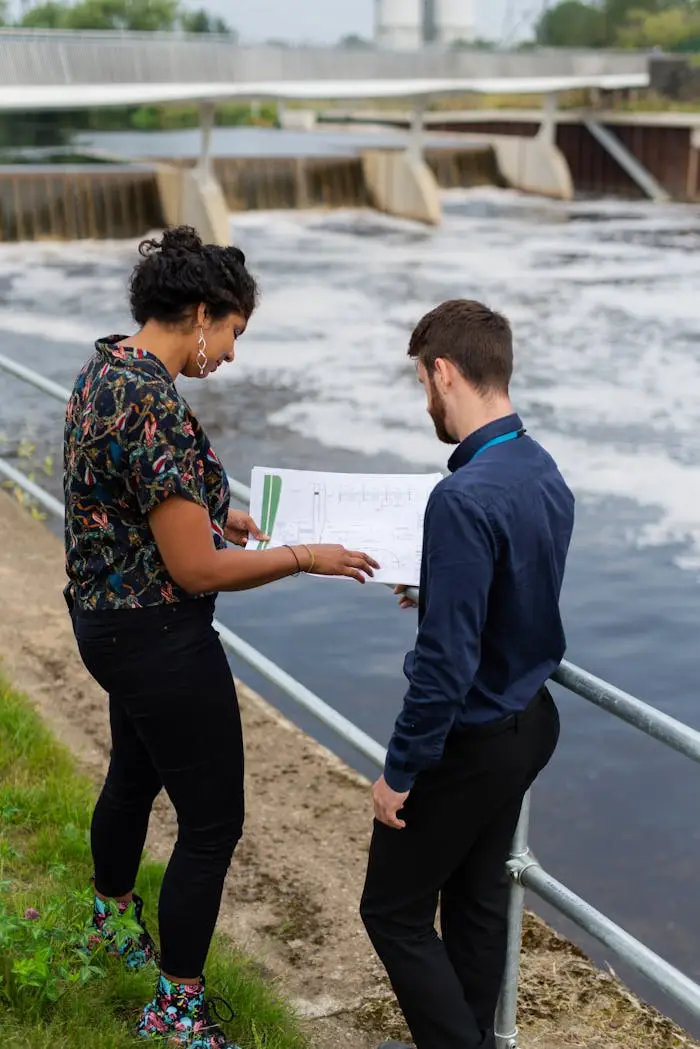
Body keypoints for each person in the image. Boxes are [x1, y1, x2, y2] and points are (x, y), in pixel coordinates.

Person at [63, 225, 379, 1049]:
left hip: (105, 622)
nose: (232, 355)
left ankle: (109, 923)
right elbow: (197, 570)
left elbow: (124, 501)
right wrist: (303, 554)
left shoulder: (107, 369)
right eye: (234, 332)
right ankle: (175, 1013)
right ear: (202, 313)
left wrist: (220, 511)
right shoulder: (156, 403)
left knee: (132, 775)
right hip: (160, 634)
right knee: (212, 824)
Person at [360, 299, 575, 1049]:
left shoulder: (460, 496)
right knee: (479, 900)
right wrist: (440, 587)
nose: (425, 399)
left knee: (391, 909)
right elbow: (523, 584)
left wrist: (400, 770)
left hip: (471, 739)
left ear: (442, 371)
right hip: (531, 720)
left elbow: (445, 669)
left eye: (422, 380)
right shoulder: (541, 469)